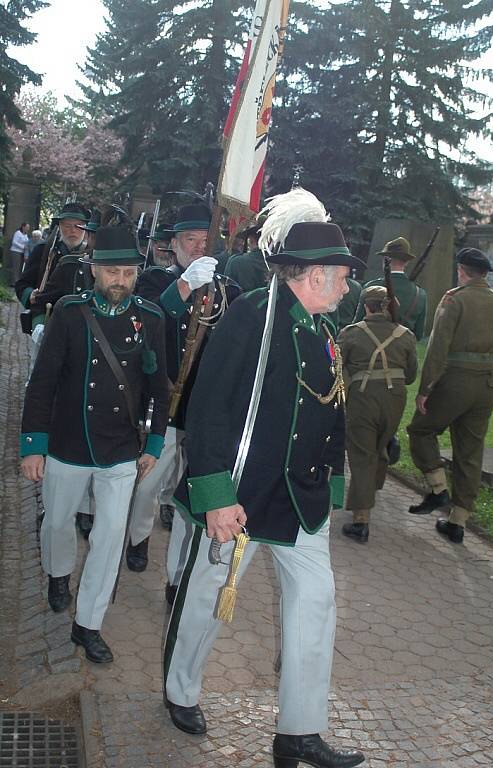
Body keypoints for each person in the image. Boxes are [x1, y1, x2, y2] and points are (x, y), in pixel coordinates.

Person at [164, 189, 365, 768]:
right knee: (205, 600)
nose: (349, 285)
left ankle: (298, 732)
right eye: (343, 275)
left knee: (316, 603)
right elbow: (209, 409)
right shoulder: (253, 315)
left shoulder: (325, 330)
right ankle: (181, 689)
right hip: (241, 496)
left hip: (301, 499)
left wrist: (331, 485)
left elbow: (333, 410)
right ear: (316, 275)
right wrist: (215, 495)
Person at [20, 227, 169, 662]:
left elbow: (160, 387)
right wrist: (34, 444)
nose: (119, 280)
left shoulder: (151, 318)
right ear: (95, 270)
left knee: (109, 538)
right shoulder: (70, 312)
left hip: (120, 448)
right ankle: (58, 573)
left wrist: (155, 442)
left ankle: (89, 624)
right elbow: (42, 382)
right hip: (67, 442)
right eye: (111, 272)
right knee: (57, 522)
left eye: (127, 272)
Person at [131, 204, 240, 594]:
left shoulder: (229, 291)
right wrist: (184, 287)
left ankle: (177, 577)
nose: (197, 247)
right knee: (145, 486)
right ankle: (138, 536)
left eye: (204, 241)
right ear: (173, 245)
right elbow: (145, 321)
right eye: (189, 241)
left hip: (204, 412)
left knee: (186, 498)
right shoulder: (153, 280)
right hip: (162, 406)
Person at [407, 247, 493, 543]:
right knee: (470, 451)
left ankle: (438, 489)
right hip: (487, 384)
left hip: (456, 380)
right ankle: (458, 522)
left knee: (420, 429)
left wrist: (426, 388)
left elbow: (438, 348)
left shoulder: (455, 299)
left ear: (462, 271)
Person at [339, 286, 417, 543]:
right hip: (394, 400)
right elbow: (411, 375)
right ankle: (372, 489)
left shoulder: (351, 334)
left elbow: (337, 367)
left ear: (366, 307)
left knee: (362, 455)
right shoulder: (406, 336)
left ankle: (361, 519)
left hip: (363, 398)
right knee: (381, 445)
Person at [15, 203, 91, 333]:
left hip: (82, 324)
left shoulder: (92, 256)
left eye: (78, 226)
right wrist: (30, 295)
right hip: (46, 317)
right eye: (67, 226)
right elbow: (22, 285)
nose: (73, 230)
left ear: (85, 228)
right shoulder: (43, 251)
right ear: (60, 226)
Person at [354, 237, 427, 340]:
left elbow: (357, 325)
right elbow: (418, 335)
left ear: (385, 260)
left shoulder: (371, 287)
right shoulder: (420, 294)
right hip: (401, 352)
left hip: (369, 350)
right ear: (407, 262)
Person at [225, 223, 269, 291]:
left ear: (251, 240)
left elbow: (226, 291)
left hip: (239, 301)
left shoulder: (236, 261)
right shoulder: (278, 263)